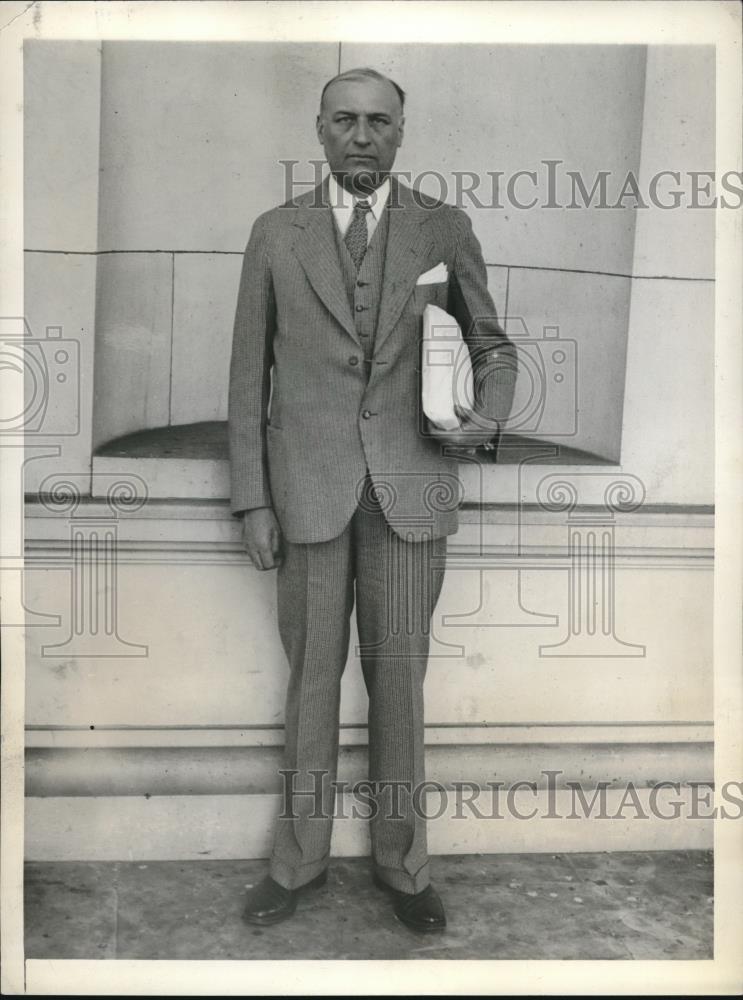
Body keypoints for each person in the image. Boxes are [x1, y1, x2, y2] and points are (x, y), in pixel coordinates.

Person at [228, 66, 516, 933]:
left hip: (410, 489)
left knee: (400, 686)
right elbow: (248, 378)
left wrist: (485, 419)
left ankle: (404, 866)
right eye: (344, 120)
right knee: (310, 684)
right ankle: (296, 864)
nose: (361, 135)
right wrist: (252, 501)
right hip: (306, 494)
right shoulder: (276, 234)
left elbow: (492, 347)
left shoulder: (443, 227)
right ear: (318, 130)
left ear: (401, 132)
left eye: (378, 122)